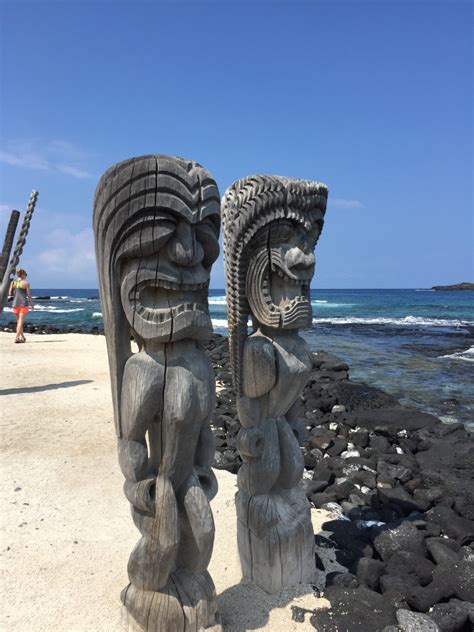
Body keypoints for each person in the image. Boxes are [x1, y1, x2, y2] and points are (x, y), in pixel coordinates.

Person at [8, 269, 34, 343]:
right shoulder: (26, 283)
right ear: (22, 274)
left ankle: (22, 337)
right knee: (20, 322)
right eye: (25, 275)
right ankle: (16, 337)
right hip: (23, 304)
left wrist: (15, 292)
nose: (26, 276)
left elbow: (10, 293)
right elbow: (29, 295)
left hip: (15, 304)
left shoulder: (13, 282)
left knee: (19, 322)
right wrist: (32, 304)